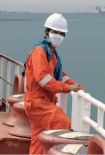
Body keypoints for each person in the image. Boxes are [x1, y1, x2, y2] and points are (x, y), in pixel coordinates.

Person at [22, 13, 85, 154]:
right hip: (38, 103)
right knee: (63, 123)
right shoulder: (40, 52)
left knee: (38, 143)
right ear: (46, 33)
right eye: (55, 32)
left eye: (61, 33)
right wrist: (68, 88)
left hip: (42, 103)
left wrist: (76, 86)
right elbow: (44, 80)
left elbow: (60, 76)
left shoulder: (52, 54)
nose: (58, 36)